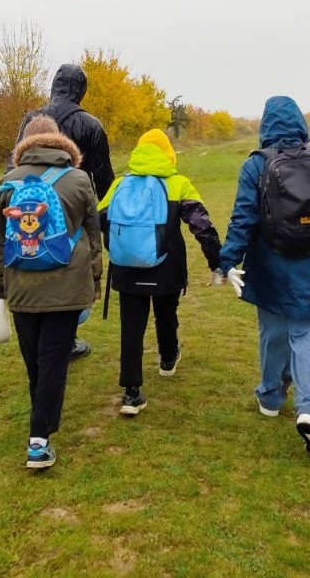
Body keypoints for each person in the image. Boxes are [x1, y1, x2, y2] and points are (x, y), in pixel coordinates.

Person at [218, 96, 310, 458]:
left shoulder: (255, 165)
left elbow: (243, 217)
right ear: (300, 123)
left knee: (274, 331)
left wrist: (228, 260)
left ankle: (271, 396)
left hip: (271, 266)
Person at [0, 115, 102, 468]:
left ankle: (40, 420)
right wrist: (94, 280)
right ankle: (39, 439)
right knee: (54, 360)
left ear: (24, 144)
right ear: (60, 141)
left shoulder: (8, 182)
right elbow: (92, 236)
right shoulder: (80, 179)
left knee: (34, 361)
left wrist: (0, 287)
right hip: (67, 285)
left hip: (21, 285)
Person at [97, 129, 223, 416]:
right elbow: (201, 225)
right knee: (166, 314)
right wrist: (216, 261)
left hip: (126, 267)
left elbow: (98, 220)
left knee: (131, 326)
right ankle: (168, 359)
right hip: (167, 266)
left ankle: (131, 393)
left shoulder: (119, 184)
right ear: (168, 152)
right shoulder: (178, 184)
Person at [8, 63, 114, 361]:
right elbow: (104, 176)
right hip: (73, 205)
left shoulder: (32, 118)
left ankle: (46, 332)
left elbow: (13, 164)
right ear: (82, 89)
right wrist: (99, 215)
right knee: (69, 262)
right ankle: (62, 337)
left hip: (29, 203)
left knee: (34, 255)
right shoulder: (90, 125)